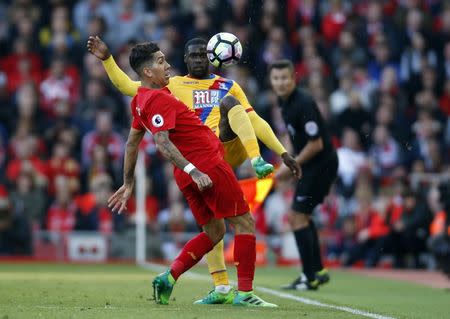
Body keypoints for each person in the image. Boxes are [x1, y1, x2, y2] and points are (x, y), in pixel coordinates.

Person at [87, 36, 300, 304]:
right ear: (149, 71)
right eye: (163, 62)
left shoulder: (146, 100)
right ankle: (243, 292)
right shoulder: (167, 92)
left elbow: (132, 142)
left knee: (214, 231)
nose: (168, 66)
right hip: (205, 164)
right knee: (244, 222)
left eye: (202, 55)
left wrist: (128, 182)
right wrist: (107, 60)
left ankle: (169, 277)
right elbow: (159, 138)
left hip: (194, 166)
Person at [269, 59, 339, 290]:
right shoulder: (285, 102)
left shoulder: (303, 103)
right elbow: (293, 136)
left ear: (293, 78)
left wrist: (292, 166)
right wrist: (285, 159)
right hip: (312, 165)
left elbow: (316, 144)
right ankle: (317, 270)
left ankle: (309, 276)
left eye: (284, 78)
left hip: (320, 165)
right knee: (302, 217)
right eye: (276, 78)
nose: (280, 83)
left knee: (296, 217)